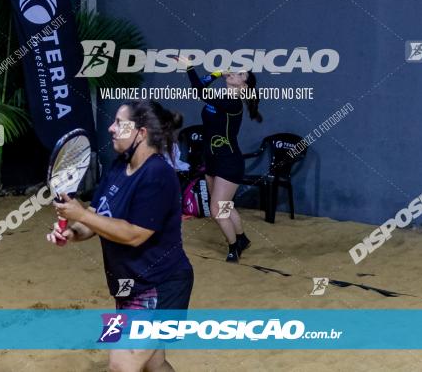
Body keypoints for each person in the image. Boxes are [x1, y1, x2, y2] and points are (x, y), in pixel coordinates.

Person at [50, 100, 193, 372]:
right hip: (130, 284)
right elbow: (97, 215)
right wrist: (72, 232)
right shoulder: (118, 167)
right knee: (154, 362)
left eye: (119, 122)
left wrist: (80, 215)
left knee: (121, 364)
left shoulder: (158, 174)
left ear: (140, 132)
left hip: (161, 284)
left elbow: (134, 235)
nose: (111, 128)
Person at [177, 55, 263, 262]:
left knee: (216, 209)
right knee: (226, 205)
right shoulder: (221, 97)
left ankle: (234, 247)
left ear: (244, 84)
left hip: (229, 161)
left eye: (241, 74)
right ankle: (242, 238)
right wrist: (217, 73)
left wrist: (189, 67)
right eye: (236, 70)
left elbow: (199, 90)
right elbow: (201, 88)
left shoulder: (233, 103)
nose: (234, 73)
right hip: (212, 160)